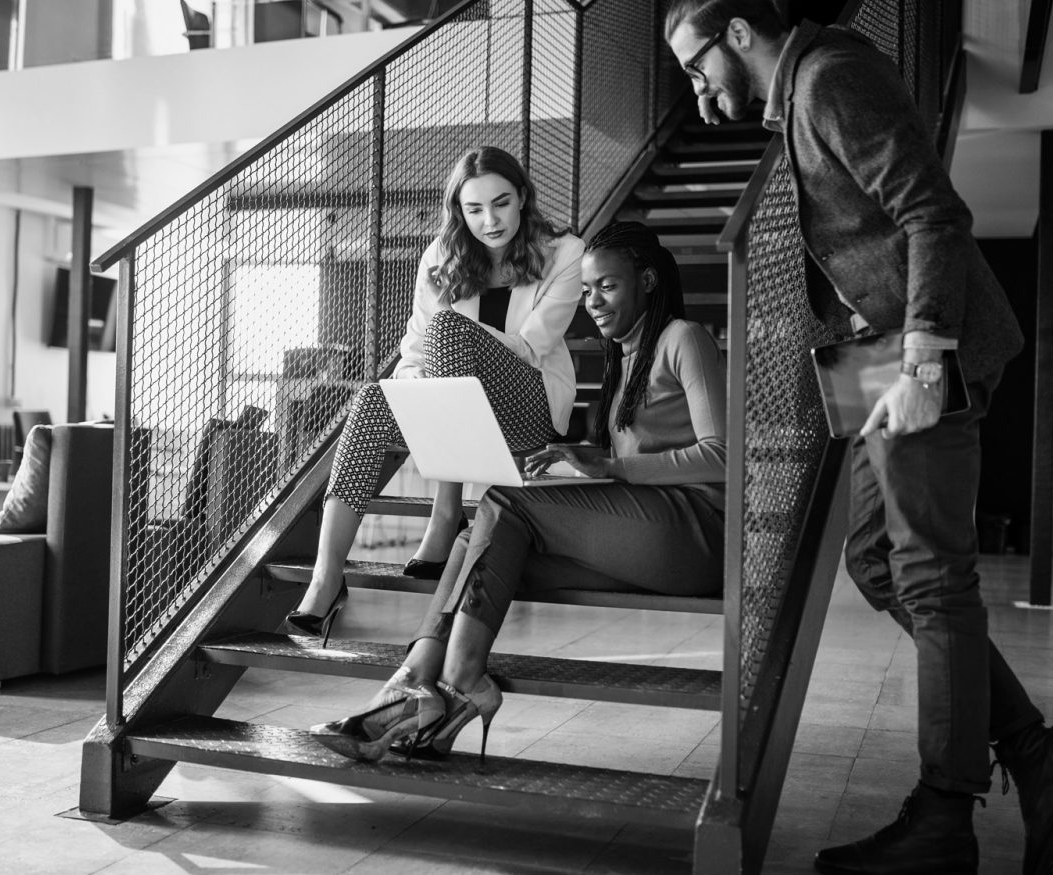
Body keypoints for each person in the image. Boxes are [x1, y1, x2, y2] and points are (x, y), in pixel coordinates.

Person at [662, 3, 1053, 874]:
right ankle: (1031, 745)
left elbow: (934, 213)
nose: (697, 84)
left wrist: (926, 360)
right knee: (873, 559)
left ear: (739, 32)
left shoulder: (830, 79)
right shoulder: (795, 98)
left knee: (935, 578)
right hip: (872, 361)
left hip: (917, 357)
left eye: (695, 62)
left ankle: (946, 815)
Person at [308, 220, 727, 763]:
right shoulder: (624, 358)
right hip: (645, 536)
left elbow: (721, 456)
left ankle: (456, 678)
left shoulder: (682, 338)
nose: (593, 301)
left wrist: (607, 464)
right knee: (479, 538)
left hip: (695, 534)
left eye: (609, 286)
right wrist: (580, 468)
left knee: (501, 504)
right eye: (587, 290)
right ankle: (416, 682)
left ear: (647, 281)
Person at [286, 146, 583, 643]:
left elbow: (533, 346)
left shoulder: (565, 252)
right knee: (370, 400)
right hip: (458, 413)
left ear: (523, 197)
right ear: (459, 212)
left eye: (502, 203)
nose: (490, 220)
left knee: (451, 330)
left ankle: (446, 512)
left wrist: (457, 349)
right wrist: (423, 395)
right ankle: (326, 577)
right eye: (475, 209)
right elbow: (413, 350)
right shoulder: (442, 255)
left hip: (529, 408)